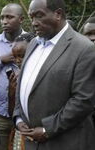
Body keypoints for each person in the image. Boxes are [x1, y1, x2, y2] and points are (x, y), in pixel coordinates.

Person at [13, 0, 95, 149]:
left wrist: (47, 129)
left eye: (39, 16)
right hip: (32, 140)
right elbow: (23, 84)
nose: (34, 23)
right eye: (31, 17)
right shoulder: (33, 44)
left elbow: (83, 100)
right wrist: (18, 117)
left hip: (65, 142)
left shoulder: (84, 48)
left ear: (58, 14)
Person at [0, 3, 25, 150]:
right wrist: (0, 60)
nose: (4, 21)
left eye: (9, 17)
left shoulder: (32, 41)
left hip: (25, 113)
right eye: (2, 17)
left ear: (21, 19)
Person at [6, 33, 35, 150]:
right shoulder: (17, 76)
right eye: (15, 57)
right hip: (21, 130)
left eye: (22, 56)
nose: (18, 61)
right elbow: (11, 113)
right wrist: (11, 93)